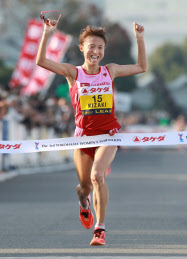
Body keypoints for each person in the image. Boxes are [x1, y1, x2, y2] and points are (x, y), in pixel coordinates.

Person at [36, 15, 147, 246]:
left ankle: (100, 229)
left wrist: (139, 39)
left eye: (100, 47)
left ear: (104, 51)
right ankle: (84, 203)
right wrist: (47, 33)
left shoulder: (111, 71)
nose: (95, 51)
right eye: (91, 47)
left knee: (98, 176)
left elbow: (141, 67)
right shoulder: (73, 73)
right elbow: (42, 62)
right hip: (83, 139)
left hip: (108, 135)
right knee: (85, 187)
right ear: (82, 48)